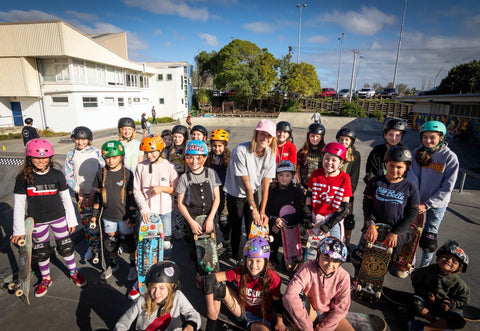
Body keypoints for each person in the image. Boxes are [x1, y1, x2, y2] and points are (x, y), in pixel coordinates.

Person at [11, 139, 86, 297]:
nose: (41, 160)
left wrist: (71, 220)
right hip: (37, 221)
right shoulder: (23, 178)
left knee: (66, 247)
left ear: (50, 157)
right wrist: (18, 231)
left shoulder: (57, 175)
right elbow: (18, 205)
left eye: (45, 157)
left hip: (58, 218)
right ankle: (46, 278)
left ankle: (73, 271)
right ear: (29, 158)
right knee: (41, 252)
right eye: (37, 157)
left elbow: (66, 199)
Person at [351, 146, 419, 279]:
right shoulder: (375, 181)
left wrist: (395, 233)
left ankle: (375, 285)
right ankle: (357, 281)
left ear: (406, 168)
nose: (394, 170)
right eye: (391, 165)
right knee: (359, 257)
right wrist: (370, 224)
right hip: (373, 227)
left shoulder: (410, 188)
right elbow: (367, 205)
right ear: (385, 164)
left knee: (381, 262)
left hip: (394, 231)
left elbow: (412, 214)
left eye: (399, 167)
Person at [200, 238, 285, 331]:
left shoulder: (273, 278)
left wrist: (279, 322)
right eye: (250, 260)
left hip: (260, 319)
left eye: (258, 261)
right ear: (246, 259)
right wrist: (211, 310)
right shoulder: (241, 271)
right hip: (241, 310)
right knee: (217, 287)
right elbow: (210, 279)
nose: (253, 265)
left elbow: (277, 302)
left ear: (265, 261)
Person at [406, 121, 459, 268]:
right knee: (413, 235)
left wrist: (428, 204)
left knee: (429, 239)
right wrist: (416, 201)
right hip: (417, 202)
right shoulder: (418, 152)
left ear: (441, 137)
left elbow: (447, 187)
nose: (428, 141)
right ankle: (409, 264)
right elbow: (412, 178)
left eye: (432, 137)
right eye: (425, 137)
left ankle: (424, 267)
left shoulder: (449, 158)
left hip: (436, 205)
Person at [223, 119, 277, 262]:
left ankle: (252, 255)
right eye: (262, 134)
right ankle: (238, 258)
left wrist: (262, 211)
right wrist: (254, 210)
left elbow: (266, 185)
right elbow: (245, 185)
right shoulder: (240, 151)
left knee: (253, 226)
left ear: (272, 139)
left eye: (269, 136)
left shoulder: (271, 154)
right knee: (237, 227)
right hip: (235, 192)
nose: (265, 138)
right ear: (256, 134)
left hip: (253, 191)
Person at [133, 134, 178, 300]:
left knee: (166, 243)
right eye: (146, 152)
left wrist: (161, 188)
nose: (149, 155)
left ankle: (165, 275)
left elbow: (176, 189)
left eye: (152, 152)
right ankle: (145, 276)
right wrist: (144, 209)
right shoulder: (141, 167)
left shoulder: (169, 166)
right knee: (146, 244)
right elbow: (136, 189)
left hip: (164, 210)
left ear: (161, 150)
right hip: (147, 213)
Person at [90, 141, 137, 282]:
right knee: (111, 242)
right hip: (108, 216)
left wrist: (132, 216)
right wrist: (94, 216)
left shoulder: (128, 174)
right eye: (107, 157)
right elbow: (97, 198)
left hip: (124, 216)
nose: (110, 160)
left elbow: (132, 198)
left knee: (129, 243)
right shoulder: (100, 174)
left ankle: (133, 266)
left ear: (121, 157)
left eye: (114, 157)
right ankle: (114, 264)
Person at [283, 237, 352, 331]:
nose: (330, 265)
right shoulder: (307, 268)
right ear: (318, 255)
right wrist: (307, 327)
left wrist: (323, 329)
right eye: (326, 258)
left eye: (335, 261)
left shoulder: (343, 277)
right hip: (310, 311)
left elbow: (341, 308)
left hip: (328, 313)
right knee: (294, 303)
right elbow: (290, 295)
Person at [176, 140, 222, 279]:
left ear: (204, 158)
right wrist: (191, 222)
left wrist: (210, 219)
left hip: (209, 215)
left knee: (212, 246)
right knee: (196, 249)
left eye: (198, 158)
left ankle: (215, 275)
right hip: (193, 218)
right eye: (190, 157)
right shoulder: (184, 178)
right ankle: (200, 275)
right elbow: (180, 203)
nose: (194, 161)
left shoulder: (211, 173)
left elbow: (217, 198)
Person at [114, 261, 201, 331]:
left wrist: (191, 325)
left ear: (172, 287)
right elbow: (125, 321)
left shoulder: (177, 297)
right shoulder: (143, 300)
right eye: (153, 288)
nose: (156, 293)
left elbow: (193, 314)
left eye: (162, 288)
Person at [407, 241, 470, 331]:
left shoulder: (460, 284)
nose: (448, 261)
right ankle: (437, 324)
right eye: (446, 257)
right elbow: (417, 283)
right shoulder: (427, 271)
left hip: (446, 309)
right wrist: (426, 293)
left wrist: (450, 303)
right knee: (415, 303)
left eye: (454, 261)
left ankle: (423, 328)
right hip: (428, 305)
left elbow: (464, 301)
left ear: (459, 269)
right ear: (438, 257)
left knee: (459, 322)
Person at [64, 126, 105, 260]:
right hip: (81, 194)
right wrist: (78, 191)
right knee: (88, 223)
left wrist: (96, 190)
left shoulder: (97, 152)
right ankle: (93, 248)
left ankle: (105, 246)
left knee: (101, 221)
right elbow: (68, 175)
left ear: (89, 139)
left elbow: (103, 172)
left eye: (84, 139)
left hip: (98, 193)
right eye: (77, 139)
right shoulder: (71, 154)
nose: (80, 142)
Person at [305, 142, 352, 241]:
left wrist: (329, 225)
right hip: (315, 218)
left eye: (334, 160)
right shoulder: (316, 174)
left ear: (341, 163)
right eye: (326, 158)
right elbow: (308, 198)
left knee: (332, 251)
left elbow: (344, 208)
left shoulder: (344, 178)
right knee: (312, 251)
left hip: (333, 220)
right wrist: (307, 218)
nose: (329, 162)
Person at [265, 160, 305, 268]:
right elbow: (264, 210)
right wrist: (274, 220)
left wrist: (285, 221)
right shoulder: (271, 190)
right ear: (276, 175)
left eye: (287, 175)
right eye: (281, 175)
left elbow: (301, 213)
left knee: (290, 267)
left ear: (292, 176)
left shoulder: (297, 192)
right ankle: (272, 254)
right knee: (270, 263)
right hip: (274, 227)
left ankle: (289, 256)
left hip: (291, 228)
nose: (284, 178)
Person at [336, 128, 361, 247]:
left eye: (347, 140)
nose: (344, 142)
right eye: (341, 139)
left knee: (348, 220)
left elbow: (354, 176)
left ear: (352, 141)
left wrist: (349, 193)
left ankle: (346, 244)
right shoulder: (334, 151)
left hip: (347, 193)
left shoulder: (355, 155)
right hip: (333, 192)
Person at [206, 128, 231, 248]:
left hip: (223, 194)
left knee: (224, 220)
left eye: (220, 146)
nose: (217, 148)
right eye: (214, 145)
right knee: (210, 218)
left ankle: (226, 241)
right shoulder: (207, 158)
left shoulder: (229, 158)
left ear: (225, 145)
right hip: (209, 193)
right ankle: (214, 242)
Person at [364, 118, 407, 183]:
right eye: (390, 134)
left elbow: (407, 174)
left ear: (401, 136)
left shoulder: (405, 153)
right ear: (385, 135)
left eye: (397, 135)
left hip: (397, 188)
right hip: (378, 186)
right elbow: (370, 171)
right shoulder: (377, 151)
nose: (393, 138)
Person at [166, 125, 188, 240]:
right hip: (173, 180)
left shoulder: (187, 150)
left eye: (179, 137)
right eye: (175, 137)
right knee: (175, 207)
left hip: (183, 180)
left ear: (184, 138)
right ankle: (177, 228)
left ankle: (184, 228)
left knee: (183, 205)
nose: (176, 139)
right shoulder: (170, 151)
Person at [296, 123, 326, 190]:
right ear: (308, 136)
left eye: (317, 136)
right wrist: (299, 184)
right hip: (304, 186)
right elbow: (297, 169)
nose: (314, 139)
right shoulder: (303, 151)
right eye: (312, 136)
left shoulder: (325, 151)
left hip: (319, 186)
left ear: (321, 137)